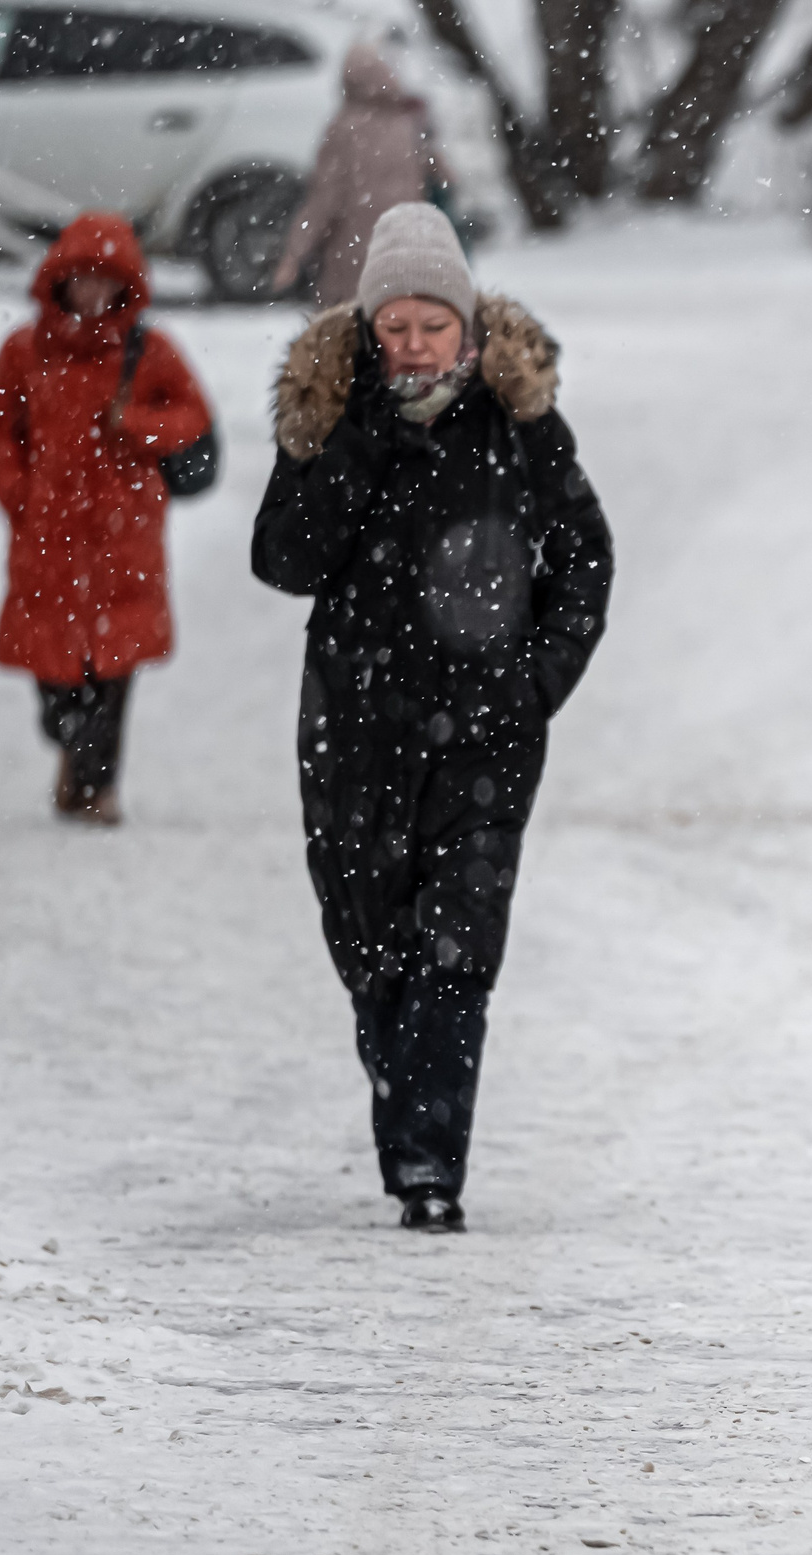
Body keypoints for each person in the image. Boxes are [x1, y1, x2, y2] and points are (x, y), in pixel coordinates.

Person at [251, 203, 613, 1232]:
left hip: (487, 740)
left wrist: (538, 678)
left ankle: (428, 1164)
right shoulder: (328, 418)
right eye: (394, 325)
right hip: (354, 731)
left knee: (456, 951)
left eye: (431, 324)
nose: (412, 345)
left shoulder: (517, 424)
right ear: (371, 330)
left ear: (467, 327)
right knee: (373, 950)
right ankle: (412, 1105)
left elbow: (585, 554)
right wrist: (355, 452)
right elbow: (283, 561)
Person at [0, 212, 212, 825]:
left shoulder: (150, 353)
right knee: (56, 682)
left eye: (107, 281)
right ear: (60, 279)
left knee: (112, 675)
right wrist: (18, 495)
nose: (93, 293)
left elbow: (194, 420)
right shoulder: (23, 352)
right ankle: (71, 751)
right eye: (82, 278)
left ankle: (97, 787)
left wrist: (135, 424)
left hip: (124, 537)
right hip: (48, 537)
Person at [270, 43, 446, 305]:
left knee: (349, 325)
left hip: (353, 250)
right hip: (405, 244)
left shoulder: (344, 128)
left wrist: (295, 253)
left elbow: (324, 197)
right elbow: (442, 173)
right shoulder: (406, 122)